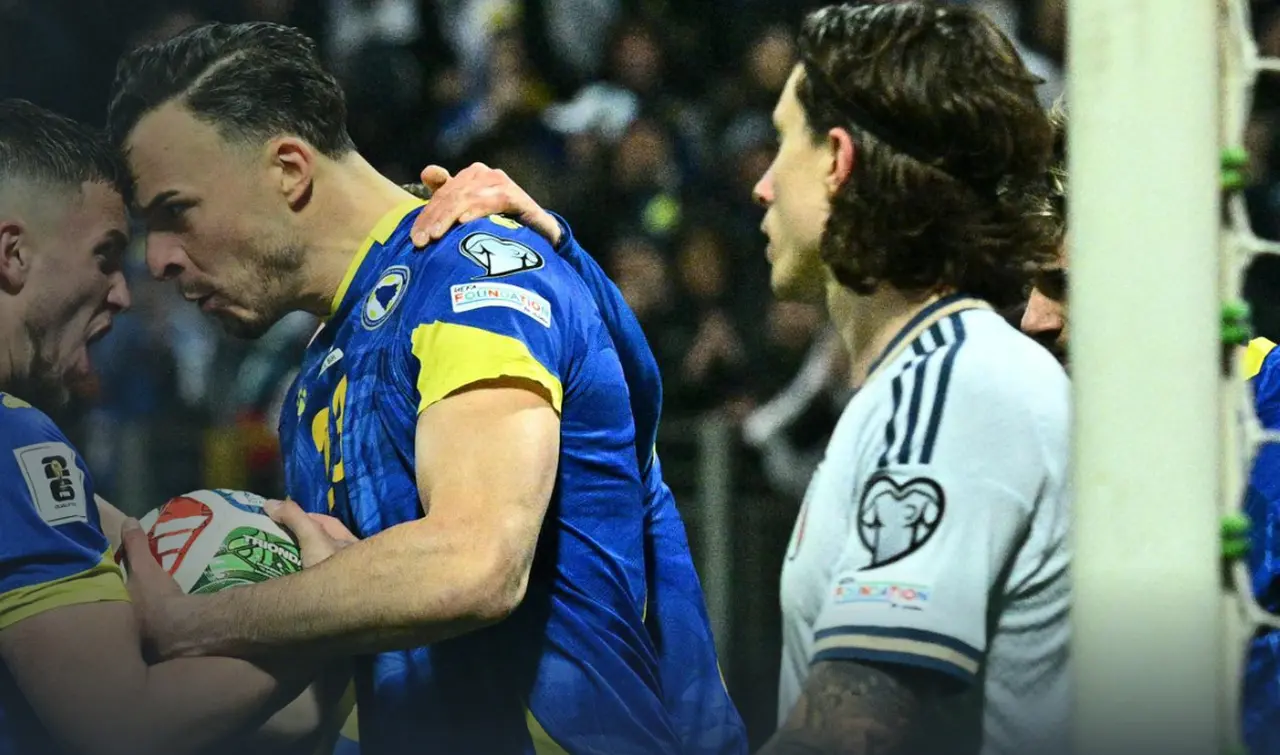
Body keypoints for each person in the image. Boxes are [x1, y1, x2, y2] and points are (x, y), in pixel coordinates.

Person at [107, 21, 743, 755]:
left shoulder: (472, 276)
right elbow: (350, 681)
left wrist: (201, 621)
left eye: (176, 212)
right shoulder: (321, 372)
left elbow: (474, 564)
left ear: (287, 169)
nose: (156, 259)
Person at [748, 4, 1070, 754]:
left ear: (837, 160)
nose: (763, 185)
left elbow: (851, 734)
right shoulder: (933, 379)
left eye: (782, 140)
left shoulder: (957, 386)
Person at [0, 98, 327, 755]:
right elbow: (122, 724)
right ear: (13, 254)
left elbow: (117, 533)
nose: (122, 292)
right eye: (105, 256)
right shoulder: (17, 444)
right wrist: (323, 630)